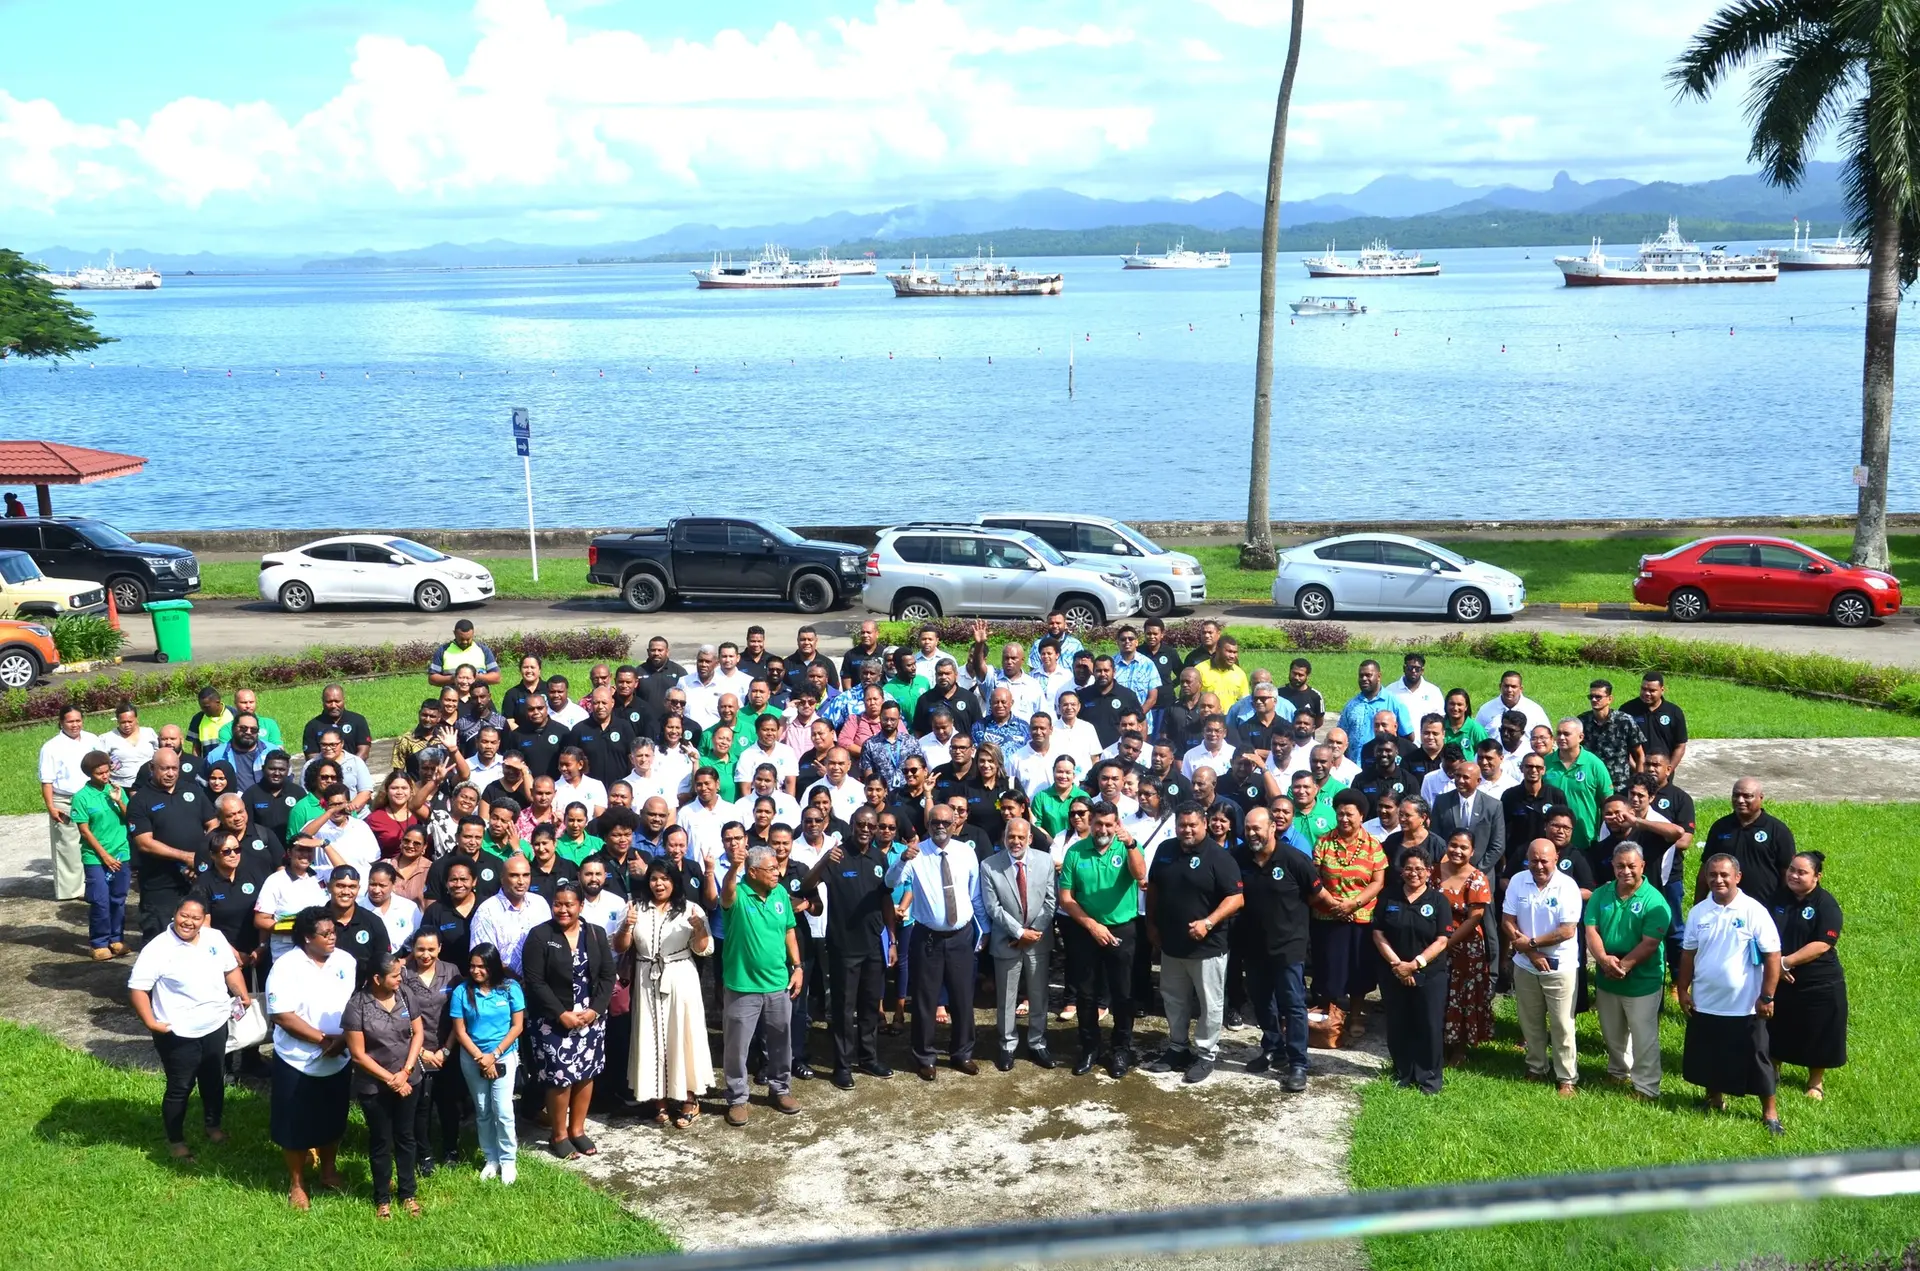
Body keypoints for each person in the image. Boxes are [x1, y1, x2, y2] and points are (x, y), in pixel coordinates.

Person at [127, 895, 250, 1159]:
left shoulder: (214, 938)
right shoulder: (158, 948)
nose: (189, 922)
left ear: (203, 919)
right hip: (178, 1032)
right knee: (180, 1087)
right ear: (175, 914)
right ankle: (176, 1141)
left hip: (216, 1023)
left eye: (196, 918)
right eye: (184, 915)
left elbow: (231, 970)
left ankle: (213, 1126)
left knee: (214, 1080)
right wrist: (151, 1022)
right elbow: (138, 988)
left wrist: (242, 994)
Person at [1679, 853, 1784, 1134]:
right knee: (1710, 1056)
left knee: (1758, 1060)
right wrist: (1682, 989)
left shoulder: (1753, 911)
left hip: (1746, 1006)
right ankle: (1714, 1100)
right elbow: (1688, 954)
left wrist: (1767, 996)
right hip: (1706, 1001)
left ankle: (1770, 1113)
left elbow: (1773, 956)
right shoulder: (1698, 912)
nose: (1718, 880)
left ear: (1738, 877)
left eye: (1724, 875)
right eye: (1712, 875)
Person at [1145, 802, 1245, 1084]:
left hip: (1207, 947)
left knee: (1209, 1003)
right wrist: (1151, 923)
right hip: (1171, 944)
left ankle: (1206, 1053)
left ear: (1204, 824)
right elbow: (1154, 888)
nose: (1186, 830)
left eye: (1192, 825)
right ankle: (1177, 1047)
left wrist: (1209, 922)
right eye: (1182, 825)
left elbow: (1237, 898)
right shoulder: (1165, 850)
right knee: (1174, 999)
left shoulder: (1219, 857)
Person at [265, 907, 357, 1208]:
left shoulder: (346, 962)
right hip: (297, 1059)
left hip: (339, 1056)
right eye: (326, 934)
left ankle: (328, 1171)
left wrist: (343, 1039)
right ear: (307, 937)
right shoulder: (286, 966)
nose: (333, 938)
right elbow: (281, 1015)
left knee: (333, 1118)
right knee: (294, 1125)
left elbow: (355, 1006)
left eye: (334, 932)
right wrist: (321, 1040)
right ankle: (297, 1183)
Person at [888, 806, 985, 1079]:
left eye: (945, 821)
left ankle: (962, 1053)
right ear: (927, 825)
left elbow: (975, 894)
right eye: (934, 822)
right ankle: (924, 1057)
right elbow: (890, 882)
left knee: (963, 998)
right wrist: (901, 861)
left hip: (961, 936)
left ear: (955, 824)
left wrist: (984, 930)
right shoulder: (916, 853)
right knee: (924, 1000)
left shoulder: (966, 851)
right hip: (927, 938)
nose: (940, 826)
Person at [522, 883, 616, 1159]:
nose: (563, 910)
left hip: (590, 1020)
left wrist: (595, 1010)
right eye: (558, 904)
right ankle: (559, 1134)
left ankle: (578, 1130)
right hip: (553, 1021)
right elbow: (535, 982)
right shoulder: (540, 936)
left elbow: (608, 977)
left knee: (586, 1075)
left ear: (580, 906)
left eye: (569, 904)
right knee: (560, 1078)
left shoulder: (595, 934)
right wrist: (560, 1013)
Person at [804, 806, 895, 1088]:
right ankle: (841, 1066)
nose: (866, 830)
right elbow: (807, 885)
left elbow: (886, 901)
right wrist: (822, 861)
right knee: (844, 1009)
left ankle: (868, 1058)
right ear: (852, 825)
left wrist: (892, 939)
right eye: (861, 825)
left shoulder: (880, 858)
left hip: (873, 946)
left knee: (870, 1005)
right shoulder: (837, 855)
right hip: (844, 946)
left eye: (871, 825)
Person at [1058, 800, 1148, 1077]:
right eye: (1099, 823)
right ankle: (1089, 1047)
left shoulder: (1129, 847)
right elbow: (1066, 898)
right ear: (1091, 823)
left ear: (1117, 824)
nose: (1103, 829)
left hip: (1122, 929)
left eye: (1110, 824)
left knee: (1123, 993)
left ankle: (1121, 1048)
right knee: (1086, 993)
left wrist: (1131, 844)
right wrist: (1092, 926)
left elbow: (1140, 874)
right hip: (1086, 931)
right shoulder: (1075, 852)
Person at [719, 845, 804, 1125]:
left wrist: (798, 966)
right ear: (752, 871)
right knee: (737, 1047)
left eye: (777, 866)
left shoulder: (780, 893)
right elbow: (727, 891)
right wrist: (734, 867)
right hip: (743, 986)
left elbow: (789, 930)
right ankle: (737, 1098)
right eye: (770, 869)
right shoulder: (739, 894)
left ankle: (780, 1089)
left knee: (782, 1042)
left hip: (778, 984)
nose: (777, 873)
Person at [628, 859, 713, 1128]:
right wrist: (624, 927)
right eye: (654, 878)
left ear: (674, 881)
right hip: (646, 977)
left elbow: (703, 949)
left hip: (680, 976)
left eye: (665, 878)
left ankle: (689, 1098)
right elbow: (620, 946)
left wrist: (699, 928)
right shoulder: (635, 907)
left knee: (682, 1034)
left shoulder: (691, 908)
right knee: (650, 1036)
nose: (659, 883)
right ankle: (659, 1099)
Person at [1584, 843, 1671, 1101]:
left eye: (1631, 866)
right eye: (1620, 866)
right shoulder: (1601, 894)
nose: (1626, 871)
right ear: (1613, 866)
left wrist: (1623, 966)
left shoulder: (1655, 900)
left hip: (1642, 980)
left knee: (1644, 1036)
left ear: (1642, 866)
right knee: (1612, 1031)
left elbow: (1650, 943)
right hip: (1607, 975)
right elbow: (1591, 930)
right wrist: (1602, 960)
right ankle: (1618, 1071)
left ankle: (1646, 1086)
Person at [341, 953, 425, 1219]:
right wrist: (391, 1080)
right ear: (377, 979)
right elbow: (358, 1055)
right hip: (374, 1088)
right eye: (395, 975)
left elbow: (418, 1033)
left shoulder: (406, 995)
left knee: (406, 1137)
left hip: (409, 1080)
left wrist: (406, 1071)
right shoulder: (357, 1006)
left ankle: (408, 1193)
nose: (401, 979)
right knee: (380, 1141)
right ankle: (382, 1198)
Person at [1502, 838, 1583, 1097]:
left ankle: (1567, 1077)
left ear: (1555, 858)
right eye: (1533, 860)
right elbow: (1507, 921)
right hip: (1526, 964)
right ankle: (1536, 1067)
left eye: (1544, 861)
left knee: (1561, 1023)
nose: (1538, 866)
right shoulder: (1517, 881)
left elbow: (1567, 930)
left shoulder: (1567, 886)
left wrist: (1532, 943)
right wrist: (1531, 952)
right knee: (1530, 1020)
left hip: (1560, 966)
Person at [1371, 849, 1456, 1094]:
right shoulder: (1389, 896)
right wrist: (1398, 965)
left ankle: (1429, 1078)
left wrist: (1415, 964)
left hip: (1429, 974)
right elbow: (1378, 933)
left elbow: (1442, 940)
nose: (1413, 873)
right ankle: (1403, 1072)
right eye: (1409, 868)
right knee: (1399, 1022)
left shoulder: (1438, 901)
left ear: (1429, 872)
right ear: (1401, 871)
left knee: (1428, 1024)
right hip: (1394, 972)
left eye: (1419, 869)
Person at [1768, 851, 1846, 1101]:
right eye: (1792, 869)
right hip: (1780, 976)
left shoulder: (1826, 904)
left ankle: (1815, 1082)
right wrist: (1775, 966)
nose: (1794, 875)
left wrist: (1785, 963)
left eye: (1802, 872)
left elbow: (1824, 943)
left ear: (1817, 876)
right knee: (1776, 1024)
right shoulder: (1777, 898)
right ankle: (1773, 1070)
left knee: (1818, 1030)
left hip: (1817, 979)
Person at [980, 817, 1056, 1071]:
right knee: (1007, 997)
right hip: (1007, 941)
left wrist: (1033, 932)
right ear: (1004, 837)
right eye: (1011, 836)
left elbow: (1050, 900)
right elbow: (993, 907)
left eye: (1021, 837)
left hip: (1038, 941)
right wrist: (1019, 931)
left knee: (1038, 994)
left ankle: (1037, 1042)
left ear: (1030, 839)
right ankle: (1007, 1044)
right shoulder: (990, 866)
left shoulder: (1045, 861)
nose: (1016, 841)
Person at [450, 942, 527, 1183]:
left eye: (481, 966)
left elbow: (517, 1026)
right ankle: (490, 1157)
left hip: (503, 1055)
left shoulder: (510, 988)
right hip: (473, 1057)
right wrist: (481, 1057)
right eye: (472, 966)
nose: (476, 971)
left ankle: (508, 1160)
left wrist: (493, 1055)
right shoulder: (462, 991)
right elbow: (460, 1031)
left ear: (492, 966)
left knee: (503, 1110)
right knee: (483, 1110)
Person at [1308, 790, 1386, 1024]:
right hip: (1327, 915)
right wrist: (1333, 904)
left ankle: (1354, 1017)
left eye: (1349, 814)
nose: (1344, 819)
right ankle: (1329, 1017)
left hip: (1360, 918)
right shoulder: (1323, 842)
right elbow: (1315, 878)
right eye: (1340, 813)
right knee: (1327, 967)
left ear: (1361, 816)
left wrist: (1353, 904)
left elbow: (1378, 881)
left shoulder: (1373, 845)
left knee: (1358, 970)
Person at [398, 927, 463, 1174]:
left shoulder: (452, 972)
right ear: (412, 949)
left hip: (448, 1049)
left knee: (449, 1103)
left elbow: (459, 1013)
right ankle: (424, 1155)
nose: (426, 955)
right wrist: (423, 1052)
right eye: (421, 949)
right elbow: (400, 1018)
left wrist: (445, 1050)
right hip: (416, 1052)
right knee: (421, 1107)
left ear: (440, 949)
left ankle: (451, 1149)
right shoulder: (403, 975)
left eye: (431, 949)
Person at [1434, 829, 1494, 1061]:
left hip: (1465, 946)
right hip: (1435, 941)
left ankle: (1459, 1048)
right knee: (1440, 992)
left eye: (1463, 847)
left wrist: (1449, 942)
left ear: (1472, 851)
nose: (1457, 851)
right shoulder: (1433, 872)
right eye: (1453, 845)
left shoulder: (1477, 878)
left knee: (1462, 994)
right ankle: (1438, 1042)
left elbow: (1474, 917)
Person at [1698, 778, 1795, 908]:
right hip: (1725, 906)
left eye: (1747, 796)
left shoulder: (1777, 830)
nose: (1740, 800)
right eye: (1736, 795)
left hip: (1765, 907)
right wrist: (1698, 905)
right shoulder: (1720, 827)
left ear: (1761, 798)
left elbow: (1787, 873)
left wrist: (1784, 908)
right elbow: (1706, 868)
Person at [72, 749, 132, 959]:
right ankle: (98, 942)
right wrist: (105, 856)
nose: (105, 776)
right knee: (100, 900)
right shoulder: (81, 797)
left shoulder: (115, 790)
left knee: (118, 899)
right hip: (96, 857)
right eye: (100, 773)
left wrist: (119, 801)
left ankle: (116, 939)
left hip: (121, 853)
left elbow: (130, 819)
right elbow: (84, 830)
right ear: (90, 774)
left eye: (107, 772)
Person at [40, 706, 101, 903]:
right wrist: (51, 806)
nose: (75, 725)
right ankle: (71, 891)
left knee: (94, 840)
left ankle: (92, 883)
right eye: (70, 721)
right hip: (65, 799)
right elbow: (47, 780)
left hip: (92, 795)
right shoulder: (51, 747)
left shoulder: (93, 739)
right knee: (68, 845)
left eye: (78, 720)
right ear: (61, 722)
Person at [469, 854, 552, 973]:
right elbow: (484, 958)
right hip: (503, 986)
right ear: (502, 878)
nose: (521, 881)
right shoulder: (486, 911)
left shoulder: (540, 903)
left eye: (526, 875)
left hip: (540, 983)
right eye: (514, 876)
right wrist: (516, 982)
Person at [1620, 671, 1689, 771]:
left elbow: (1680, 745)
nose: (1646, 693)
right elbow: (1621, 745)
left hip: (1662, 774)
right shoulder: (1627, 710)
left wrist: (1668, 770)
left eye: (1652, 690)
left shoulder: (1674, 712)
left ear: (1662, 690)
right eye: (1643, 689)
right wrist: (1637, 769)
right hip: (1634, 773)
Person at [429, 619, 500, 686]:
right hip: (453, 696)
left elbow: (496, 678)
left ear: (473, 633)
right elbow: (432, 679)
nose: (465, 642)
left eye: (468, 639)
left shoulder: (483, 650)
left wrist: (474, 677)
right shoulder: (443, 650)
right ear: (454, 633)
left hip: (476, 696)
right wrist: (453, 679)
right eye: (461, 639)